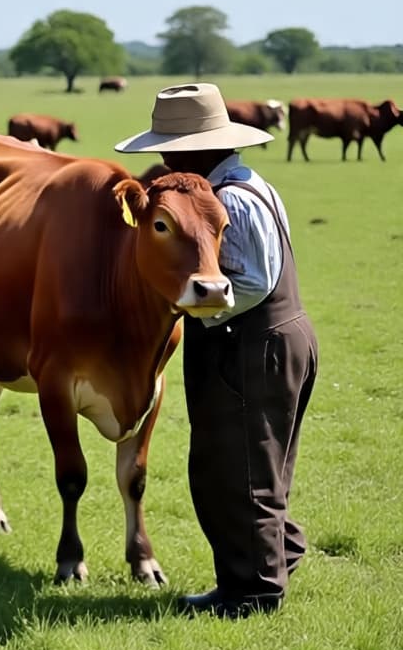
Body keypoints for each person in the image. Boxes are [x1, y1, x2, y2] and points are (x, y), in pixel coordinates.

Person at [115, 83, 318, 619]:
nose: (162, 162)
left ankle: (251, 593)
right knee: (260, 465)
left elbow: (250, 282)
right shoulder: (252, 185)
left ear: (193, 151)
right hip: (280, 333)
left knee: (235, 469)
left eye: (169, 150)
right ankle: (276, 557)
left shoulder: (228, 199)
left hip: (248, 341)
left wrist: (184, 304)